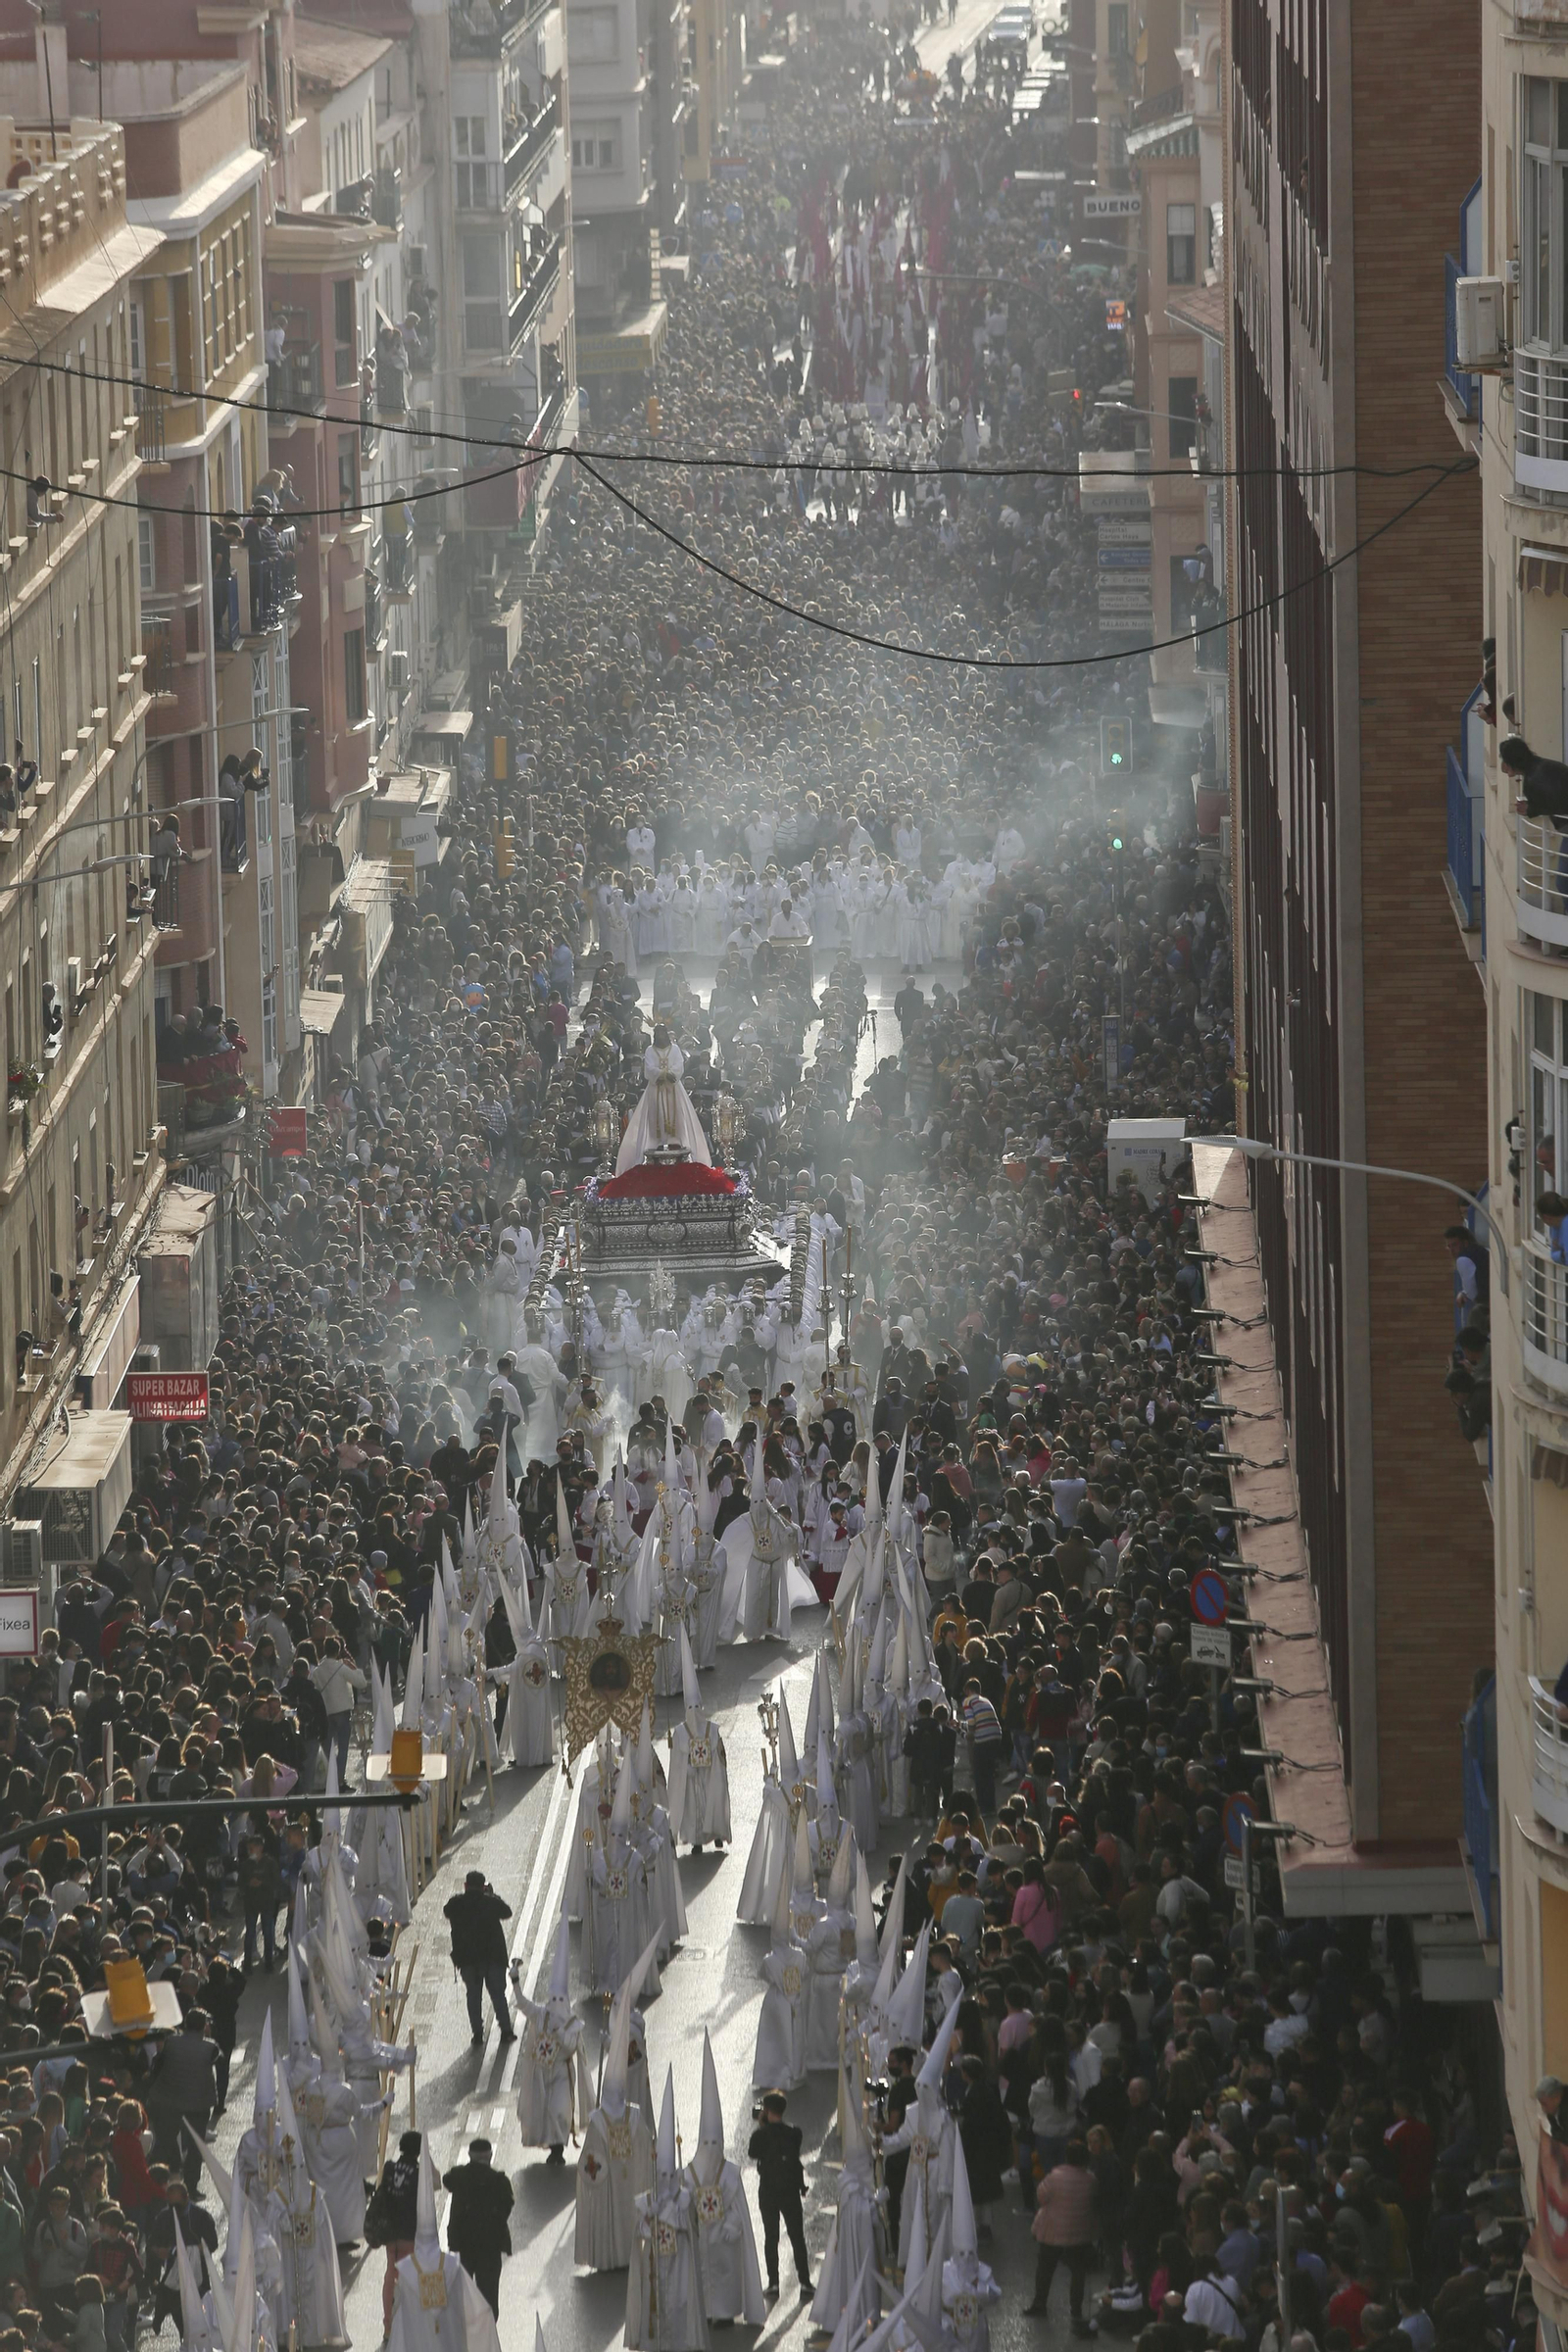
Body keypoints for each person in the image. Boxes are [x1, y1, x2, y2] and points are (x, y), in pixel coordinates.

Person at [747, 2088, 812, 2300]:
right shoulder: (795, 2132)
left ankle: (773, 2283)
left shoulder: (760, 2135)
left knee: (771, 2237)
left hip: (769, 2192)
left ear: (766, 2111)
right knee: (797, 2237)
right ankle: (805, 2281)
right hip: (791, 2191)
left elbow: (753, 2153)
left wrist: (761, 2125)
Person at [1027, 2137, 1098, 2335]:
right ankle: (1076, 2309)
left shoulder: (1055, 2177)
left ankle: (1039, 2304)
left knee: (1045, 2268)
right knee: (1078, 2272)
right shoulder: (1091, 2179)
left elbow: (1041, 2196)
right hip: (1079, 2234)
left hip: (1052, 2232)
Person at [443, 1870, 516, 2044]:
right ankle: (506, 2030)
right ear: (483, 1886)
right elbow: (507, 1912)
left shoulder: (456, 1903)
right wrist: (491, 1895)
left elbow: (447, 1911)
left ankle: (477, 2034)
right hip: (493, 1957)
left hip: (469, 1960)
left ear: (466, 1885)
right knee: (498, 1995)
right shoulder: (490, 1902)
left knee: (473, 1997)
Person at [443, 2137, 514, 2317]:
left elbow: (446, 2180)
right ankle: (487, 2331)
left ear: (469, 2155)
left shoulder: (458, 2176)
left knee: (462, 2292)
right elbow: (508, 2205)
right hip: (490, 2246)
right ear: (490, 2156)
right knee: (488, 2294)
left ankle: (464, 2330)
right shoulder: (500, 2181)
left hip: (463, 2244)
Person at [368, 2130, 422, 2340]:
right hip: (410, 2232)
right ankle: (408, 2324)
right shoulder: (419, 2173)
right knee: (411, 2278)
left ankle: (388, 2323)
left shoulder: (390, 2168)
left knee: (391, 2275)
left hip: (390, 2230)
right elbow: (434, 2185)